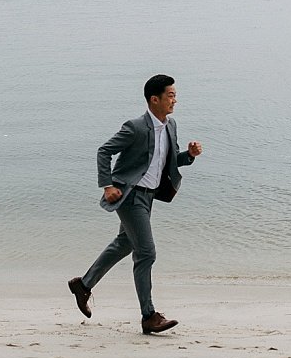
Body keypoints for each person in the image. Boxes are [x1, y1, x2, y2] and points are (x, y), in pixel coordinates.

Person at [67, 73, 204, 334]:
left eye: (175, 95)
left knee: (124, 243)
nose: (175, 100)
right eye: (171, 95)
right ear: (155, 99)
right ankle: (149, 316)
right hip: (129, 197)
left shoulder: (171, 125)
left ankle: (83, 285)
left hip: (149, 196)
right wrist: (107, 185)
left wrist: (190, 155)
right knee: (146, 252)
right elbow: (104, 151)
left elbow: (170, 159)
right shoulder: (135, 127)